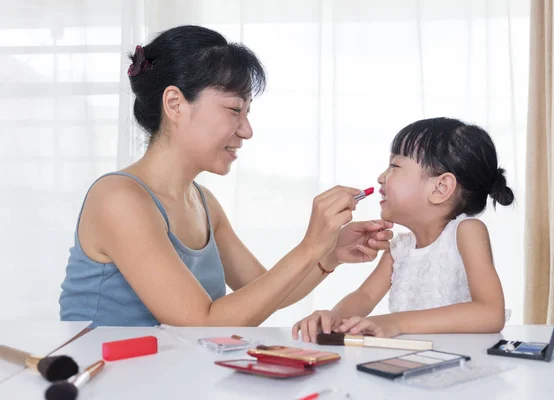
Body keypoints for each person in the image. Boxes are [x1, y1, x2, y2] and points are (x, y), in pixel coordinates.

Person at [58, 25, 393, 327]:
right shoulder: (119, 200)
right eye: (235, 110)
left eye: (247, 113)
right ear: (175, 104)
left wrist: (329, 253)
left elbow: (263, 292)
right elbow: (199, 323)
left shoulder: (203, 202)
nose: (246, 130)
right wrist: (309, 247)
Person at [293, 117, 514, 341]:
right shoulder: (400, 248)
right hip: (413, 362)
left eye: (394, 166)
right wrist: (332, 320)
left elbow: (491, 313)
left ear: (440, 187)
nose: (380, 178)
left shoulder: (467, 231)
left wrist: (396, 322)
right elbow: (364, 295)